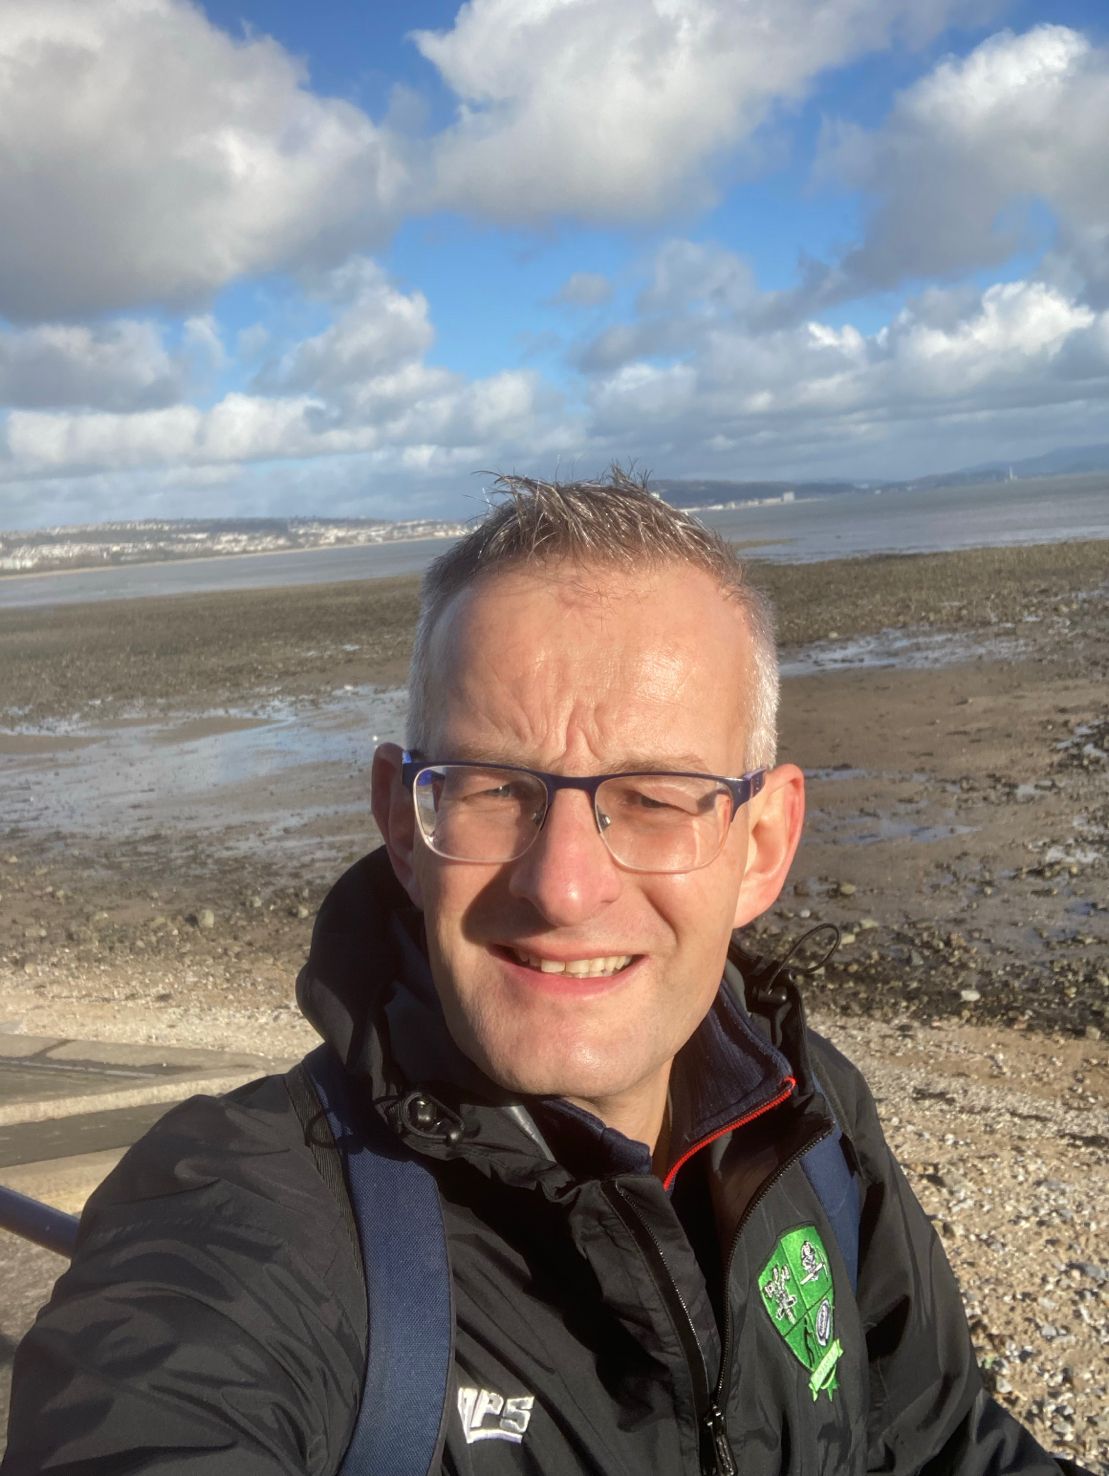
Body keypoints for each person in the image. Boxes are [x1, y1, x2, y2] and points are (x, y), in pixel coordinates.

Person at [4, 473, 1089, 1474]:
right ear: (400, 818)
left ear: (761, 844)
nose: (564, 886)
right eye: (489, 788)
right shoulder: (247, 1224)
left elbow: (941, 1441)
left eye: (657, 796)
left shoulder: (808, 1124)